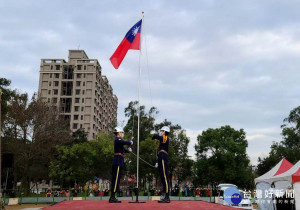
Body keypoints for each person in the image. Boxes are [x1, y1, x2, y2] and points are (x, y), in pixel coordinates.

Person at [109, 127, 133, 203]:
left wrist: (128, 151)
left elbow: (122, 149)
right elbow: (123, 142)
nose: (122, 134)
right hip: (118, 161)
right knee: (116, 180)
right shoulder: (117, 140)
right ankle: (112, 197)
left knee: (117, 179)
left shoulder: (119, 141)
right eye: (121, 132)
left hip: (119, 161)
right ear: (118, 133)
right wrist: (130, 142)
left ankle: (112, 196)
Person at [152, 126, 171, 203]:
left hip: (163, 158)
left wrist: (155, 136)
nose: (161, 132)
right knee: (162, 177)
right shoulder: (161, 141)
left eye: (162, 131)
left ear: (165, 131)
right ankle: (164, 194)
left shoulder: (165, 137)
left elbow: (158, 137)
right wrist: (157, 161)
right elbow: (159, 152)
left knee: (165, 177)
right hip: (160, 158)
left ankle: (167, 196)